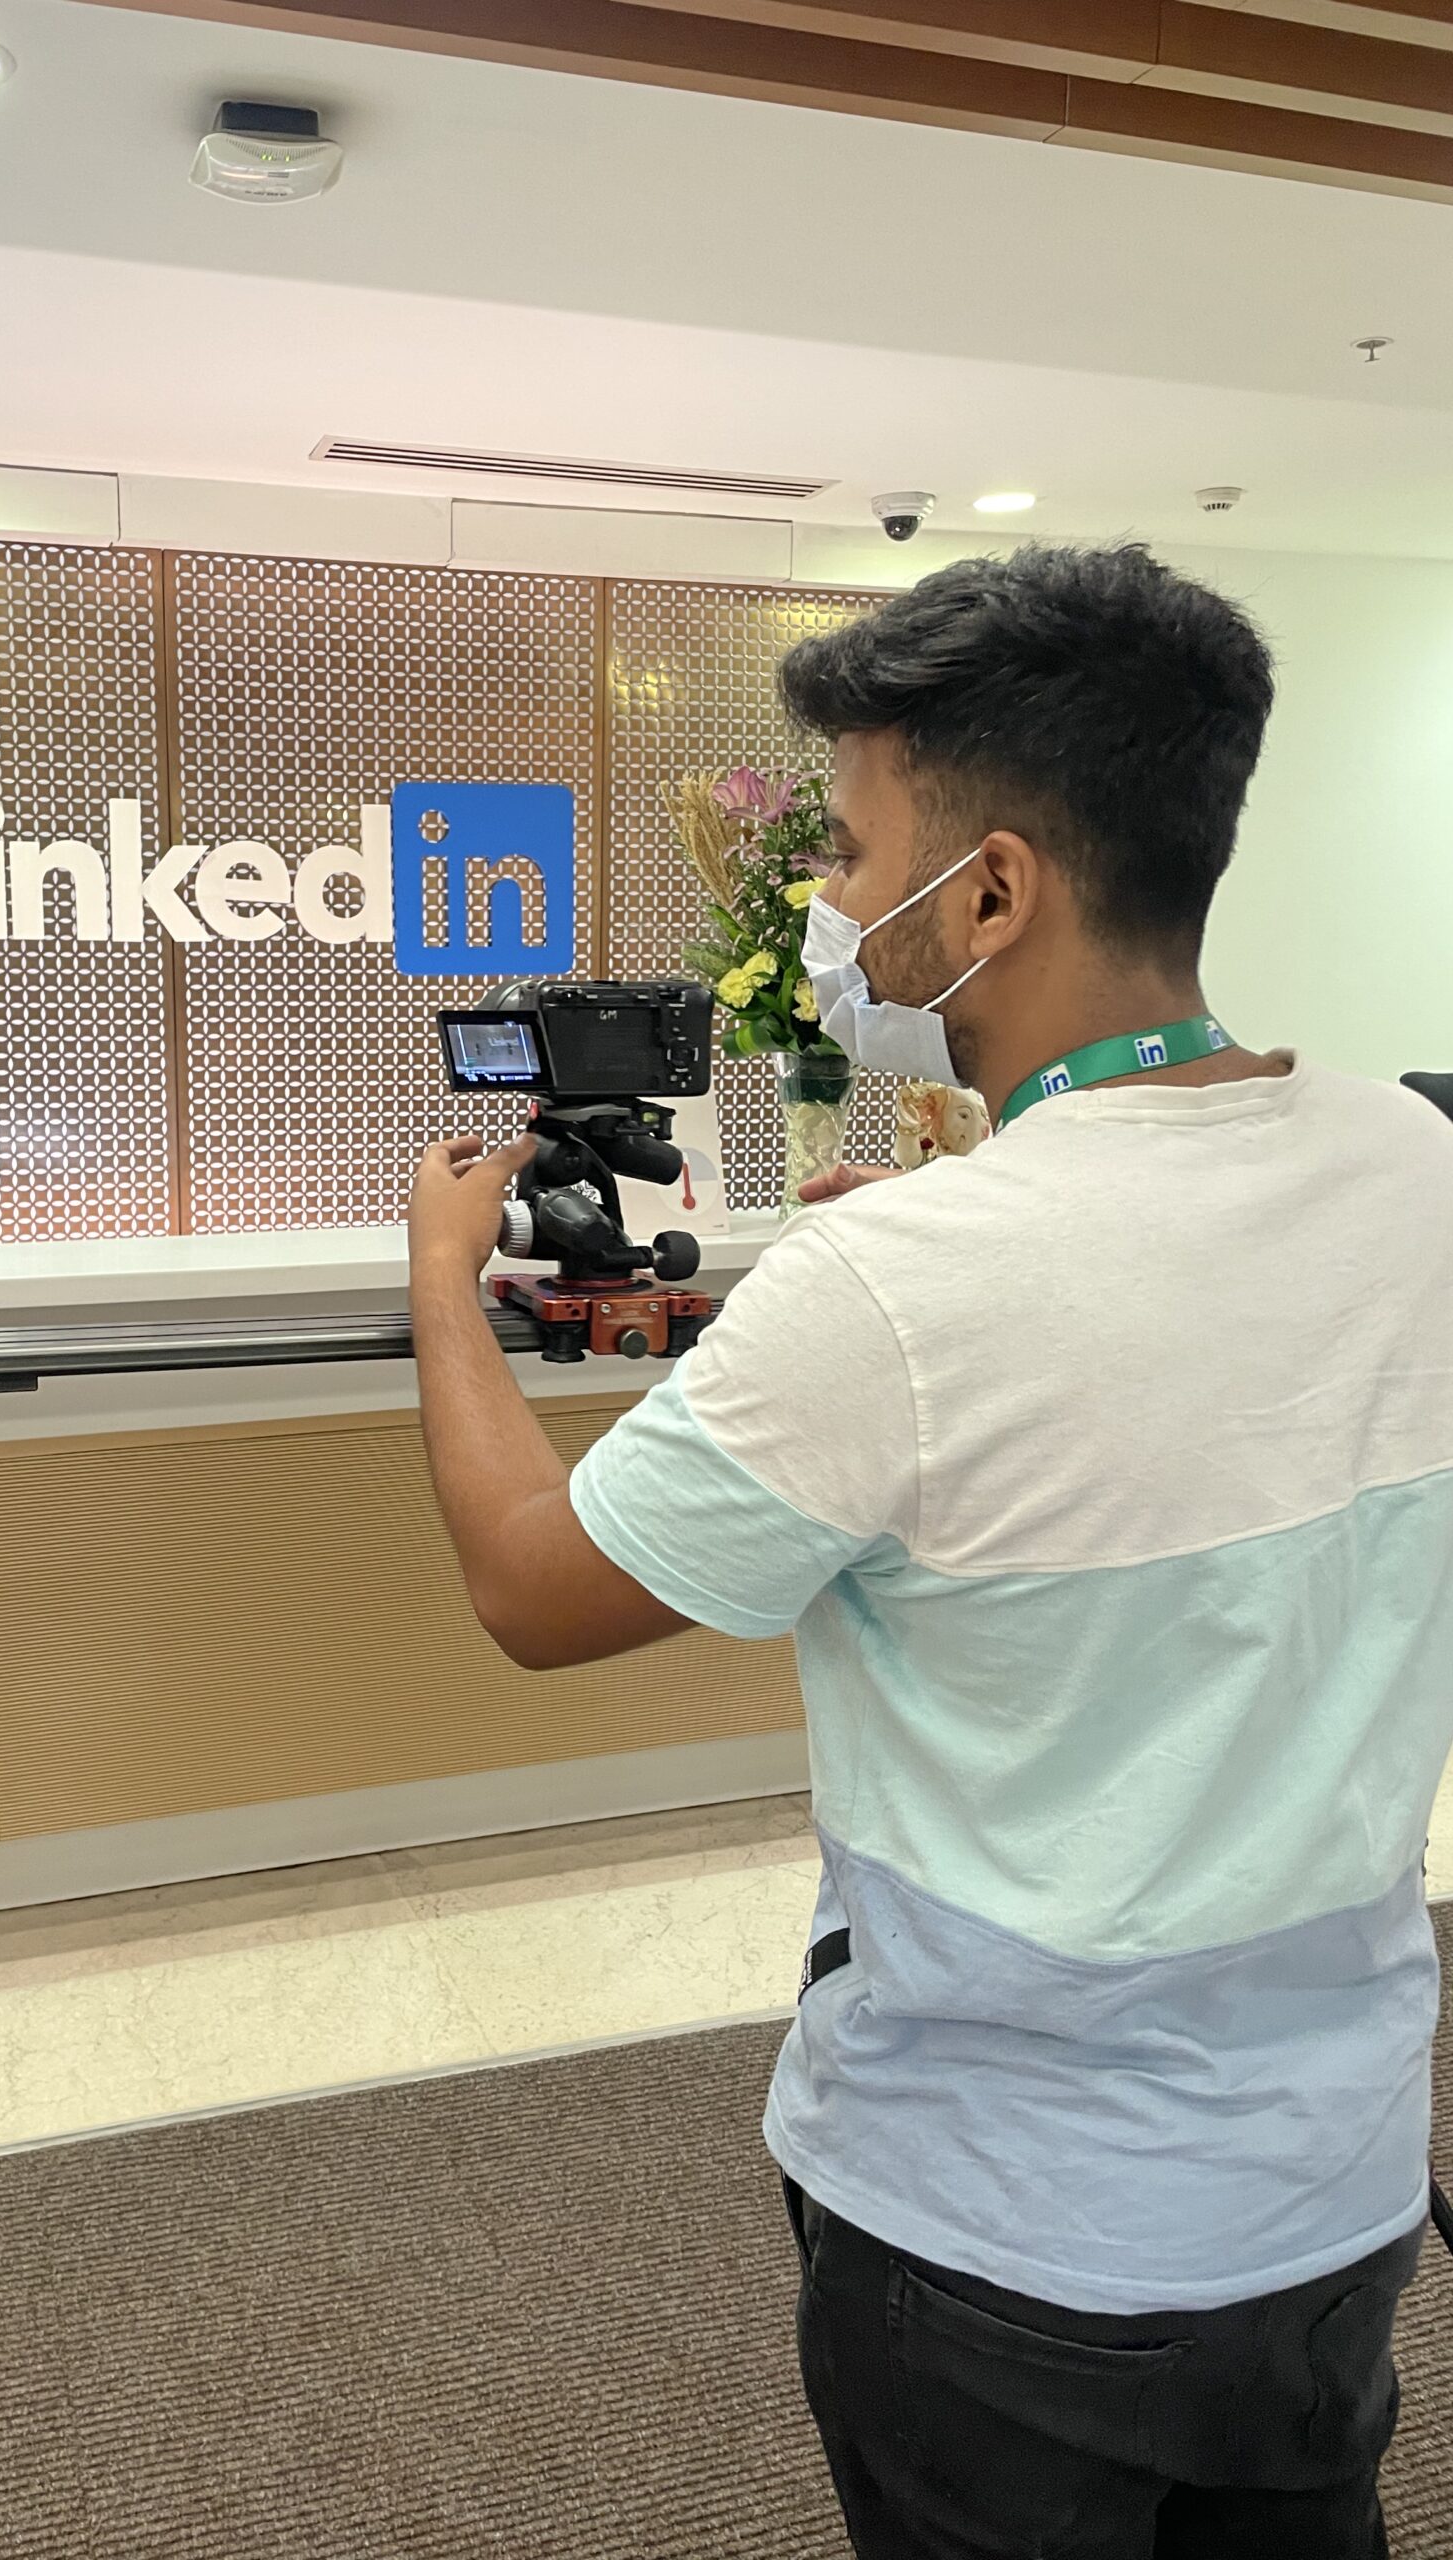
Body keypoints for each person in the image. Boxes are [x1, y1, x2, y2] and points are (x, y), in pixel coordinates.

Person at [406, 543, 1453, 2559]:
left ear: (990, 893)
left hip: (1002, 2241)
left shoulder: (898, 1287)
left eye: (858, 847)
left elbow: (535, 1585)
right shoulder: (1417, 1163)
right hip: (1329, 2198)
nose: (833, 901)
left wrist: (448, 1284)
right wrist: (966, 1220)